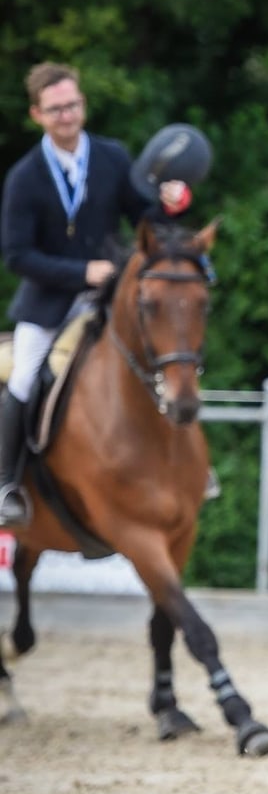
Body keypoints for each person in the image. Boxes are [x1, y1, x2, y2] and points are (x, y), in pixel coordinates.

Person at [0, 62, 207, 525]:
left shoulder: (112, 157)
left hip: (111, 296)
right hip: (49, 302)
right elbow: (16, 256)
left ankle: (194, 469)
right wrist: (80, 271)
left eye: (72, 105)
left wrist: (169, 205)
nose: (66, 115)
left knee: (167, 356)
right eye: (55, 109)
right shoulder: (25, 177)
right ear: (37, 114)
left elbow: (144, 218)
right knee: (25, 374)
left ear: (83, 105)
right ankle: (7, 483)